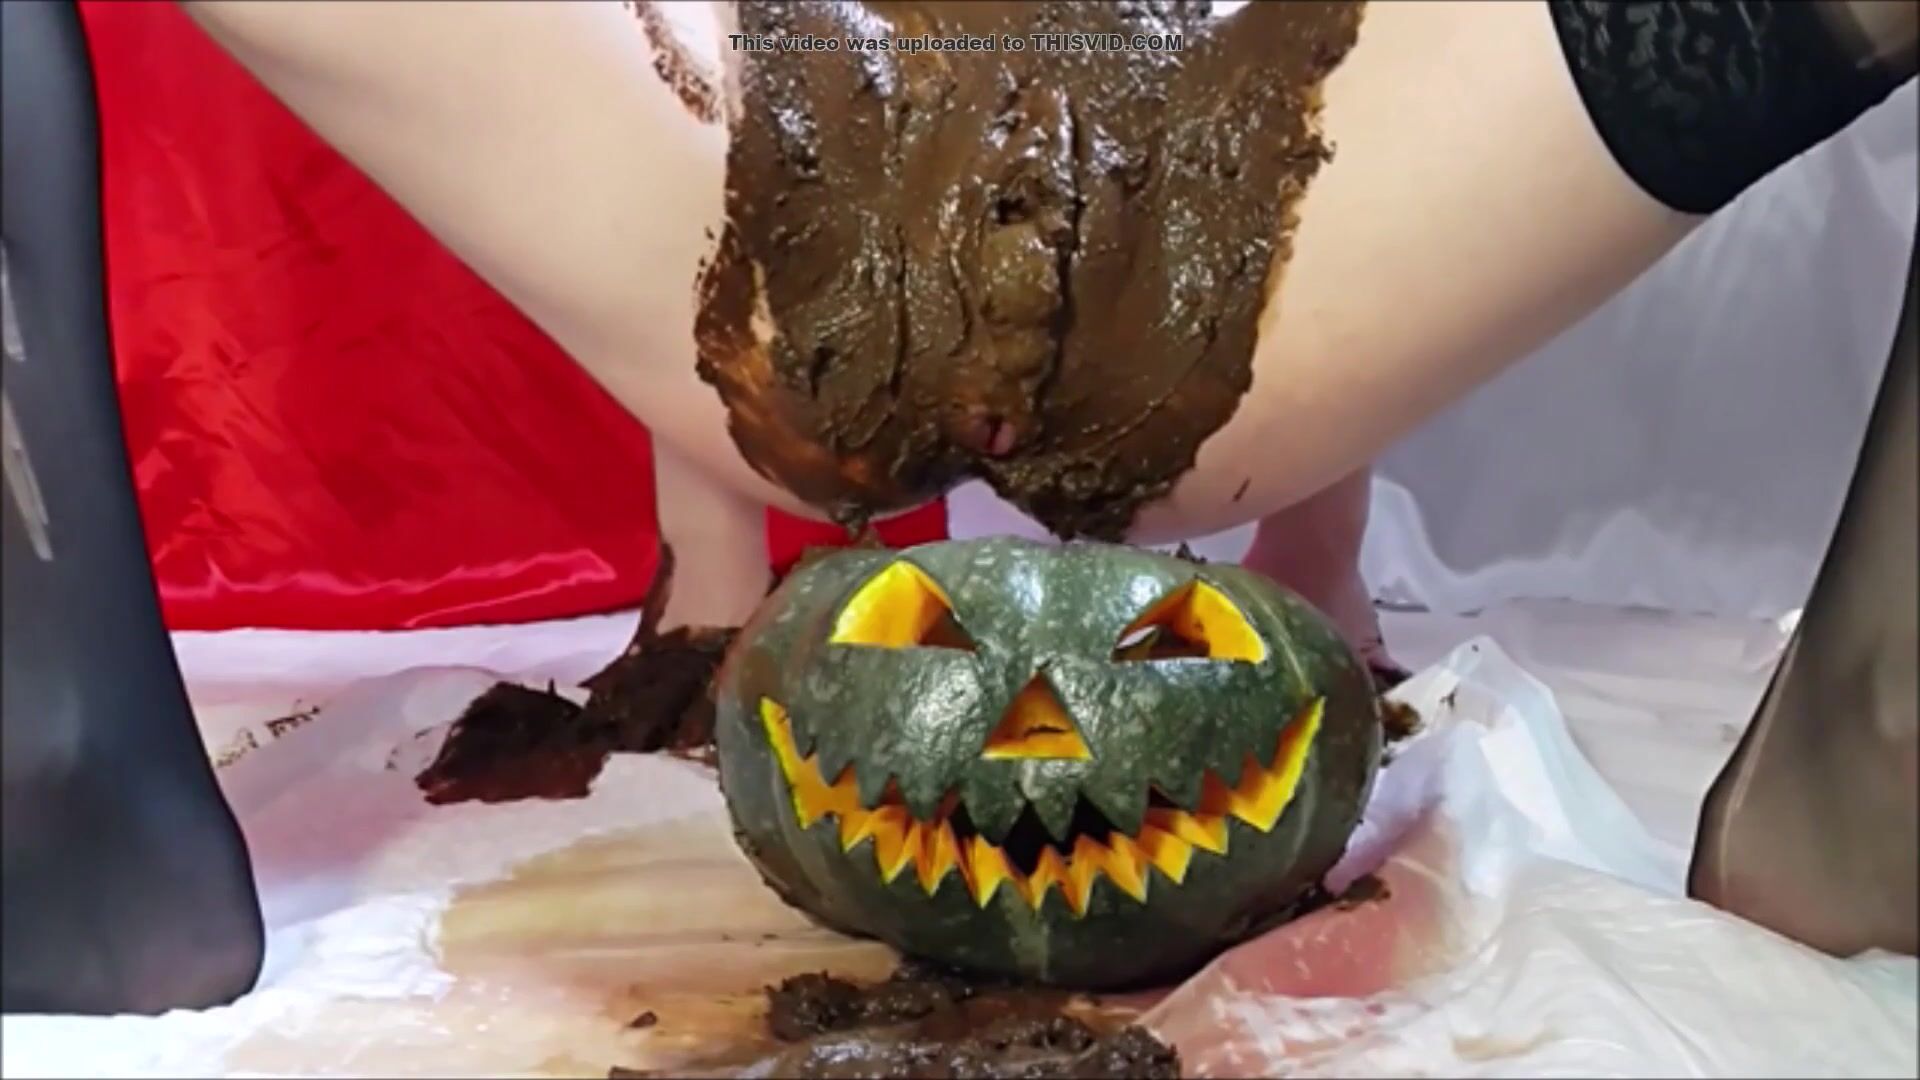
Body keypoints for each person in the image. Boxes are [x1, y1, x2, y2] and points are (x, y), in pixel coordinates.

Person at [179, 0, 1914, 953]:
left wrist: (1319, 549)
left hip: (1239, 250)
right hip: (810, 207)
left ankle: (1861, 743)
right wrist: (703, 582)